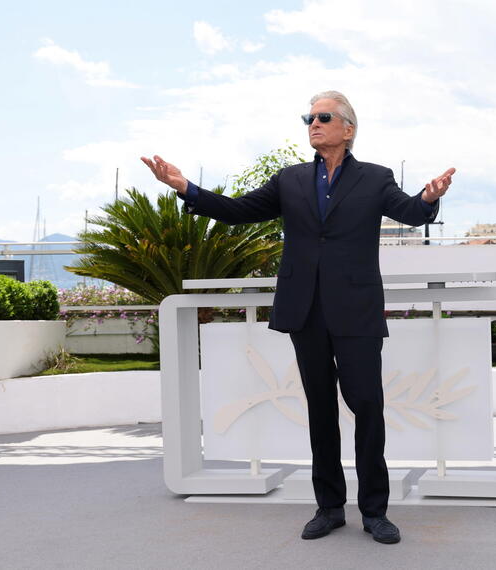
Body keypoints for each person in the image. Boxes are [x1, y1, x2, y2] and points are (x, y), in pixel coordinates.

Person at [142, 90, 454, 545]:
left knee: (367, 405)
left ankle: (374, 512)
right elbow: (238, 211)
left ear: (348, 128)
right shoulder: (288, 180)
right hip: (305, 309)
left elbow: (408, 212)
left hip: (356, 311)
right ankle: (329, 507)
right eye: (308, 117)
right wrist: (185, 187)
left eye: (323, 117)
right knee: (320, 409)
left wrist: (427, 197)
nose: (313, 123)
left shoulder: (374, 177)